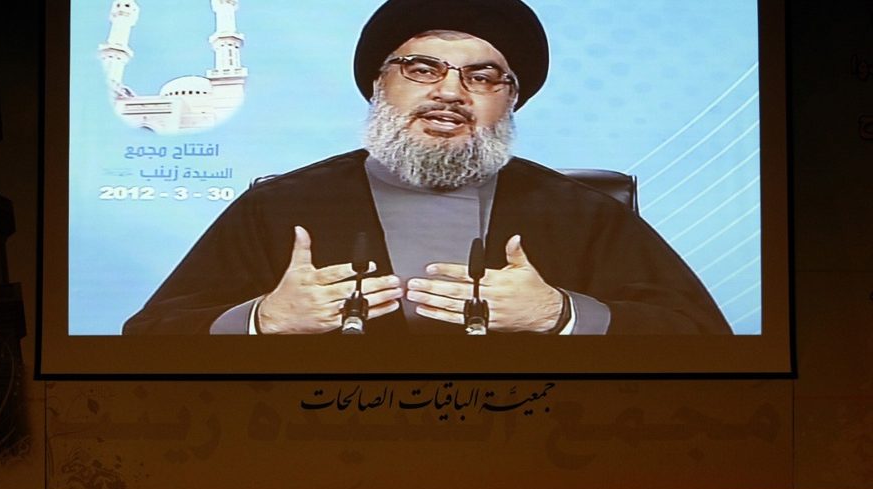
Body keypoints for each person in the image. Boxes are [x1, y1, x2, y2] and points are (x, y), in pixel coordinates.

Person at [122, 0, 732, 337]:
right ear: (378, 87)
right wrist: (265, 319)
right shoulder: (282, 206)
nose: (451, 92)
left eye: (483, 77)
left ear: (510, 101)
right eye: (421, 69)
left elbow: (704, 339)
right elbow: (147, 338)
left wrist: (561, 315)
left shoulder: (580, 211)